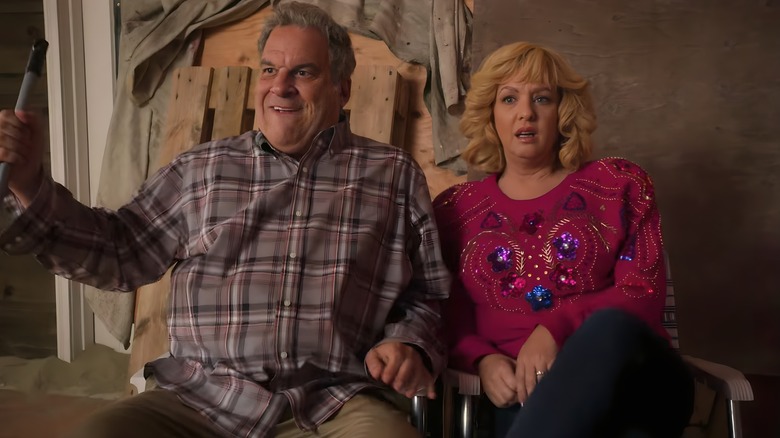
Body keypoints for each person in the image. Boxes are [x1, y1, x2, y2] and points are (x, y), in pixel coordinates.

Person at [0, 3, 450, 438]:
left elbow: (428, 294)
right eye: (270, 69)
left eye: (304, 72)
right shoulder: (202, 169)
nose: (281, 86)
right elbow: (119, 251)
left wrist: (410, 344)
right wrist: (28, 184)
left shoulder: (390, 174)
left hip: (329, 404)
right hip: (199, 399)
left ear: (342, 89)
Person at [433, 41, 694, 438]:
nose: (526, 113)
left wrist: (555, 329)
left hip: (636, 380)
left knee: (608, 327)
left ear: (563, 113)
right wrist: (482, 360)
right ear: (491, 114)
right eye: (508, 99)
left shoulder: (618, 184)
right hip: (526, 396)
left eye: (542, 98)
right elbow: (447, 315)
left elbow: (642, 293)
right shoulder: (456, 210)